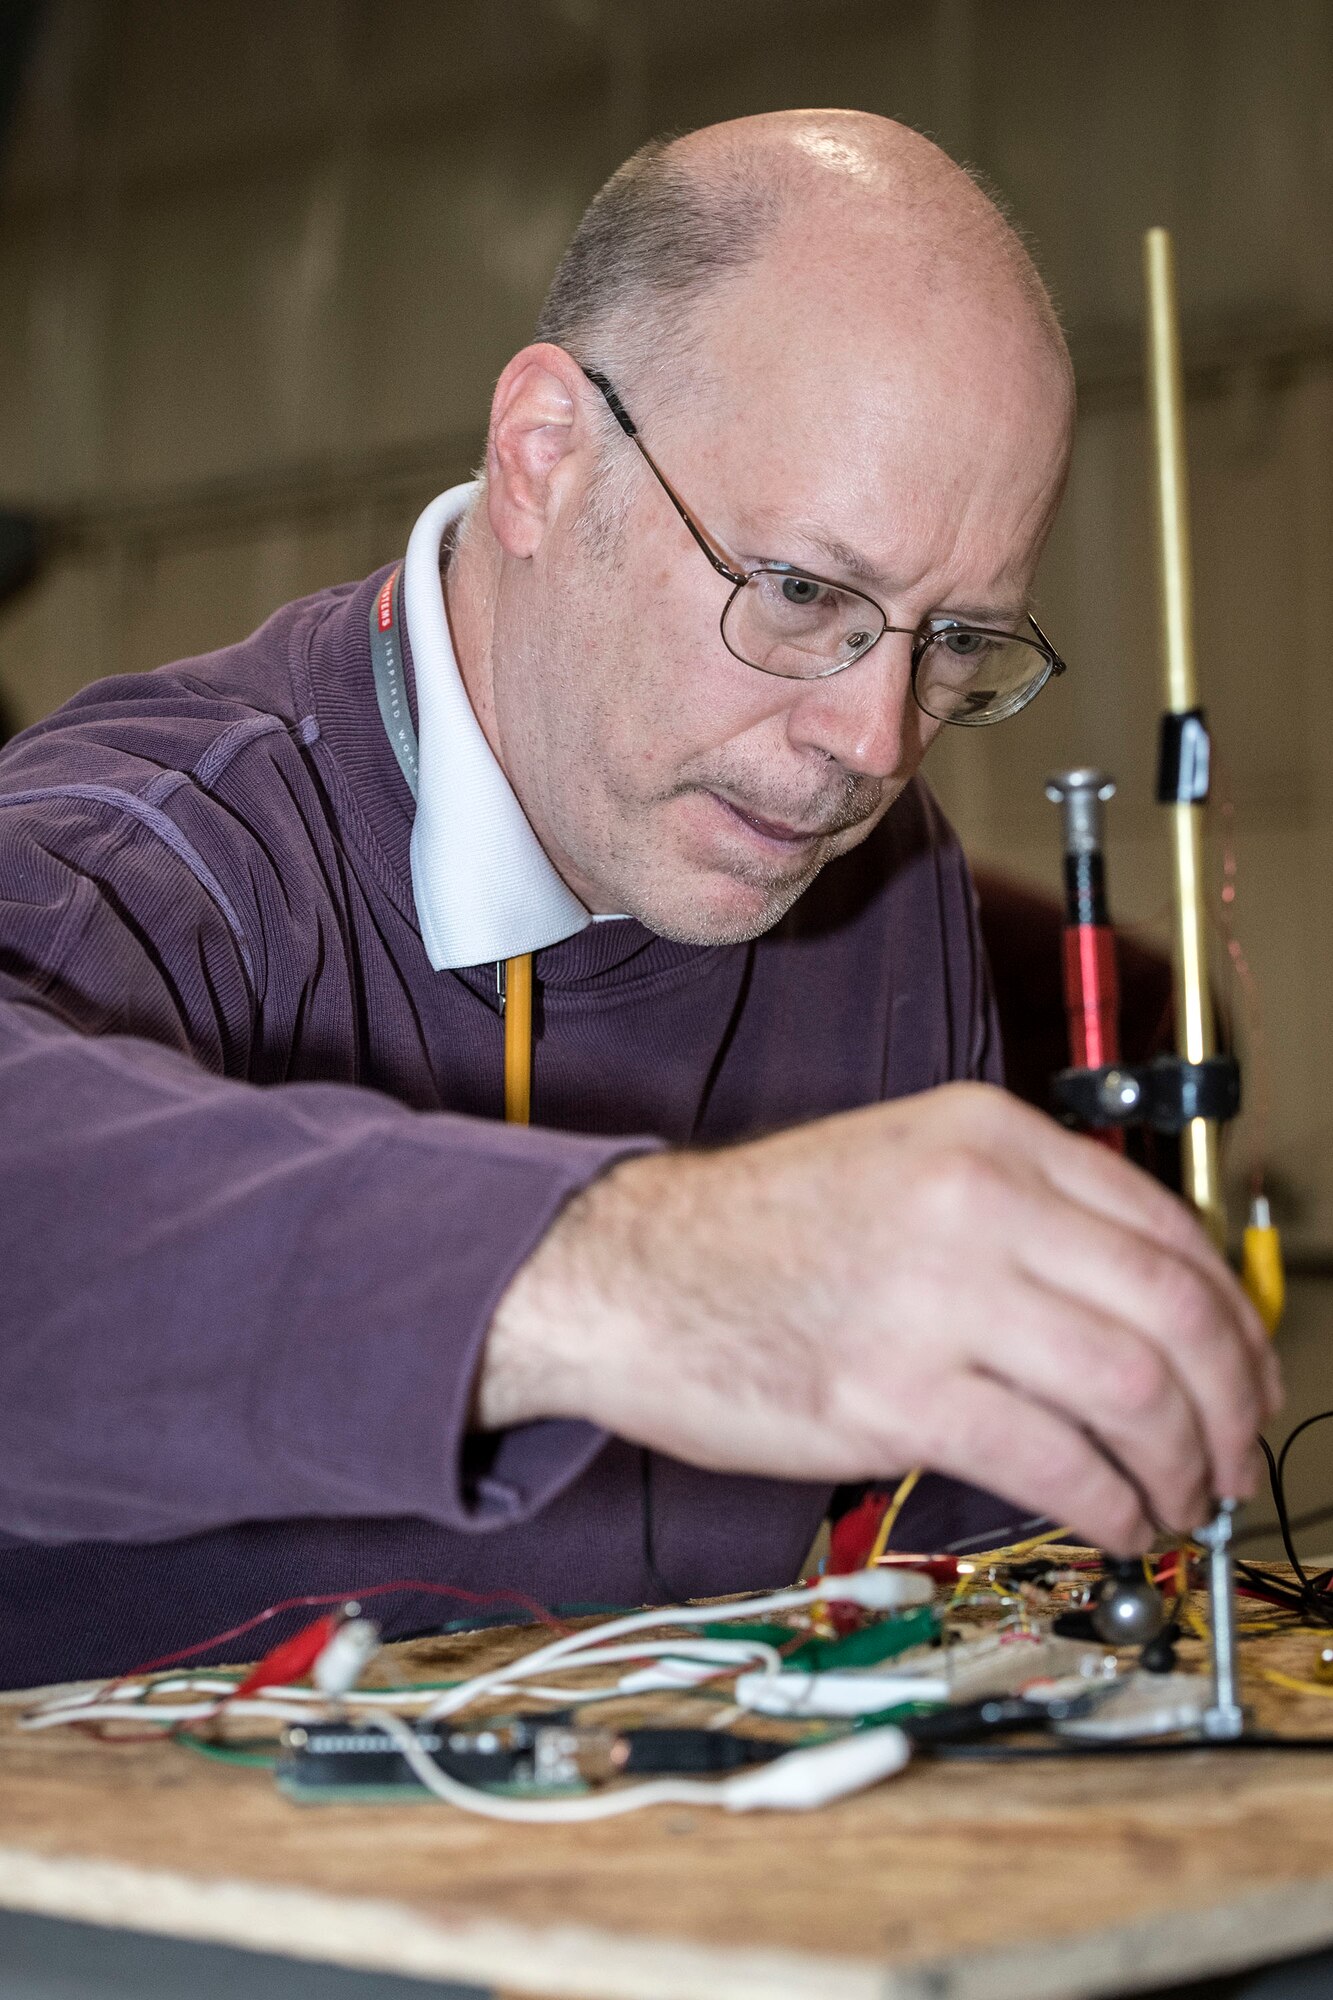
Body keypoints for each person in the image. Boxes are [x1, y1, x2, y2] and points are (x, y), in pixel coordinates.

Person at [0, 111, 1277, 1688]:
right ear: (545, 461)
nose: (868, 745)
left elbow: (975, 1553)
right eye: (804, 593)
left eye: (954, 643)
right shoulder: (173, 848)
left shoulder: (876, 892)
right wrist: (634, 1274)